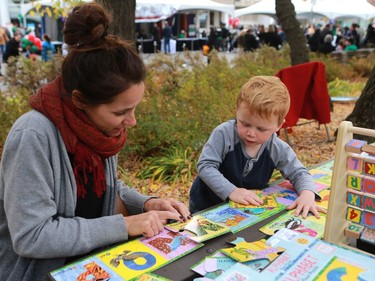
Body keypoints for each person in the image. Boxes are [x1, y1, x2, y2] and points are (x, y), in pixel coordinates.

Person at [0, 3, 190, 280]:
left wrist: (147, 204)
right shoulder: (33, 136)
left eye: (134, 108)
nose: (132, 121)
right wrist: (124, 226)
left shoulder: (97, 131)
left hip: (94, 263)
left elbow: (104, 188)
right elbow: (32, 235)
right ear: (79, 100)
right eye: (121, 112)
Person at [189, 76, 326, 219]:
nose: (251, 133)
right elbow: (205, 166)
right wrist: (231, 191)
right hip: (206, 204)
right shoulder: (224, 134)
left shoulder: (276, 148)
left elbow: (299, 173)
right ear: (237, 111)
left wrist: (307, 194)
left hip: (243, 211)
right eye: (245, 124)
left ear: (278, 126)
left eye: (261, 129)